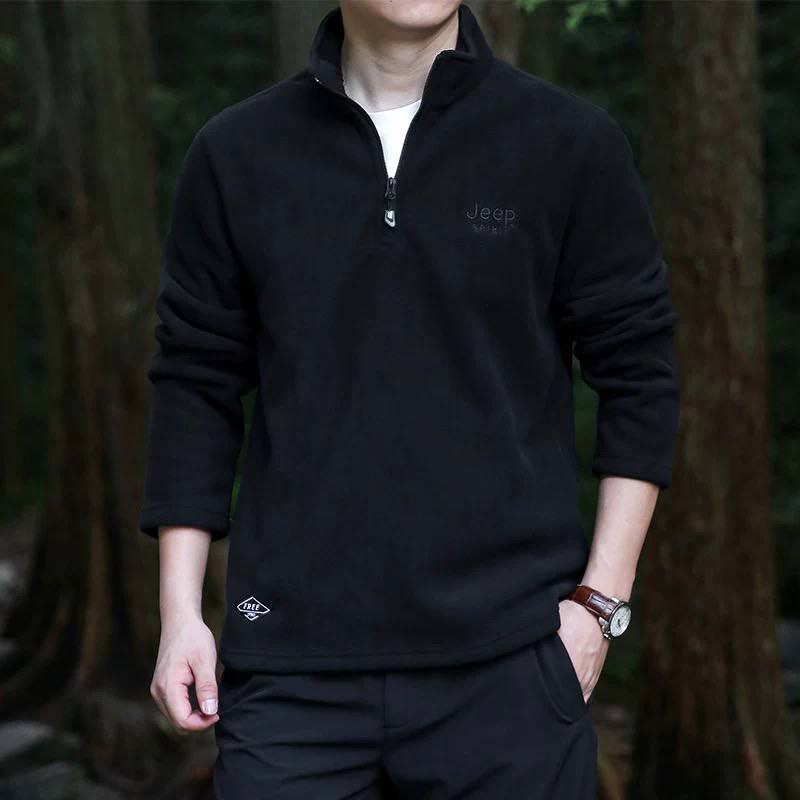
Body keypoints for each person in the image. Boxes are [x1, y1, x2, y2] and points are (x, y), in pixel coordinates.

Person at [139, 1, 680, 797]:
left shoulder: (568, 144)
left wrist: (599, 607)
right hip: (292, 676)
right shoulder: (236, 154)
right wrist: (181, 614)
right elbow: (194, 385)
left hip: (511, 669)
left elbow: (640, 374)